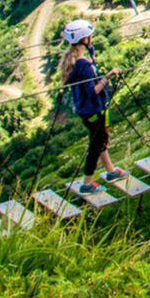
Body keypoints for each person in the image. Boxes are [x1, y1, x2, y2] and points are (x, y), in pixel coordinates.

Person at [58, 19, 124, 194]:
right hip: (93, 109)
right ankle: (87, 184)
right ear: (84, 39)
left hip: (85, 110)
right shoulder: (84, 65)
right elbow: (92, 91)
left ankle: (111, 172)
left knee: (100, 140)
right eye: (89, 35)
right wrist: (109, 76)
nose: (91, 37)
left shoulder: (75, 61)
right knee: (96, 145)